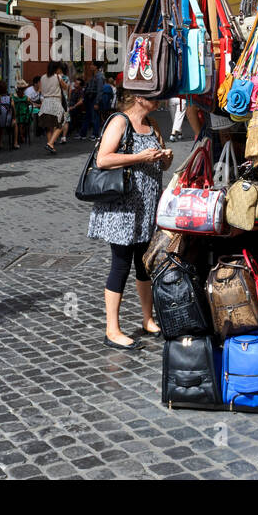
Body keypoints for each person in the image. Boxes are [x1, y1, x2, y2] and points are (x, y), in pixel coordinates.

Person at [87, 90, 174, 350]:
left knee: (144, 264)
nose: (158, 100)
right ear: (138, 97)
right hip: (123, 207)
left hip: (147, 205)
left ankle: (147, 319)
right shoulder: (120, 121)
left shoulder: (153, 124)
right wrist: (140, 157)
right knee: (120, 264)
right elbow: (103, 159)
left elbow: (161, 167)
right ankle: (112, 329)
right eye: (153, 96)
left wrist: (165, 159)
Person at [37, 63, 67, 154]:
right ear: (56, 69)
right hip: (55, 102)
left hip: (45, 102)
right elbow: (65, 87)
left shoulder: (42, 77)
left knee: (49, 126)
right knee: (61, 123)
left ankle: (51, 146)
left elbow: (40, 90)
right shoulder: (58, 77)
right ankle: (50, 143)